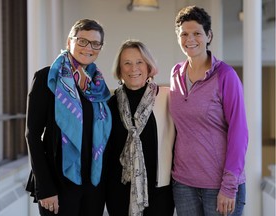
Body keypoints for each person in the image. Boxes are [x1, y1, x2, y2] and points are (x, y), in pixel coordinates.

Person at [25, 19, 112, 216]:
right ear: (69, 42)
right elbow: (32, 136)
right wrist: (45, 188)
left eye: (95, 43)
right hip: (58, 183)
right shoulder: (48, 78)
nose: (88, 48)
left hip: (93, 184)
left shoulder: (98, 86)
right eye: (82, 41)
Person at [169, 5, 249, 216]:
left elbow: (239, 132)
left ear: (209, 35)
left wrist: (229, 185)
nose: (190, 39)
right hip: (183, 183)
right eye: (184, 34)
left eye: (197, 33)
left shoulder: (225, 75)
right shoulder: (176, 73)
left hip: (219, 185)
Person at [105, 39, 175, 216]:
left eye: (139, 62)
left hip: (160, 193)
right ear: (120, 69)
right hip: (118, 192)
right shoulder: (109, 104)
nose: (133, 68)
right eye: (126, 63)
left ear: (148, 66)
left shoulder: (167, 97)